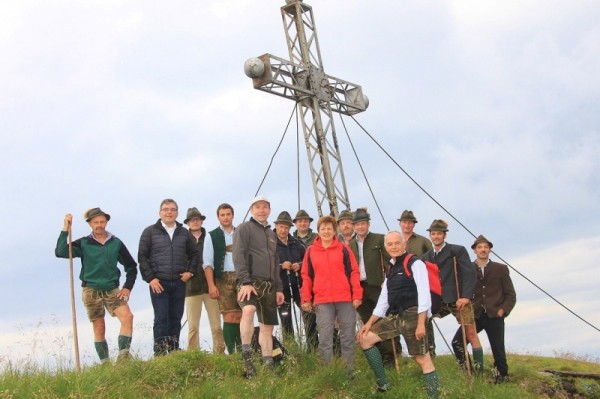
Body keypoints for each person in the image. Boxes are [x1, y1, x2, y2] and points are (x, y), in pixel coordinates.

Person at [358, 231, 439, 397]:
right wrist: (369, 323)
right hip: (395, 315)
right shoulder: (390, 268)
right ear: (386, 247)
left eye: (397, 243)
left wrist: (421, 323)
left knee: (422, 358)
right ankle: (384, 384)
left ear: (404, 245)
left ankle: (434, 395)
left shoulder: (415, 264)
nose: (393, 246)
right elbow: (384, 299)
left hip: (414, 314)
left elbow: (424, 295)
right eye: (390, 244)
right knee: (365, 339)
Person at [55, 207, 137, 363]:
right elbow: (60, 252)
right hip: (91, 290)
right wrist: (66, 229)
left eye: (102, 222)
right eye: (96, 222)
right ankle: (105, 364)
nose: (99, 225)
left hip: (112, 288)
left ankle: (123, 358)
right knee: (99, 327)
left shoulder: (116, 243)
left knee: (128, 317)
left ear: (106, 222)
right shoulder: (84, 243)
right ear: (90, 224)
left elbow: (131, 266)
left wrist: (127, 287)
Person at [301, 216, 363, 376]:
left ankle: (349, 372)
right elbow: (306, 275)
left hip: (345, 299)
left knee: (348, 337)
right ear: (318, 231)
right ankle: (327, 374)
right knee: (325, 338)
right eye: (323, 229)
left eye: (329, 228)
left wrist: (357, 294)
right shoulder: (310, 251)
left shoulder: (344, 249)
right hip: (322, 300)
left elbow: (354, 272)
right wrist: (306, 298)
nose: (326, 231)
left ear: (334, 230)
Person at [452, 235, 516, 383]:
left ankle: (502, 376)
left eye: (486, 247)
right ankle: (469, 372)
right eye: (479, 247)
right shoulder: (467, 268)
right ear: (474, 250)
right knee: (457, 342)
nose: (483, 250)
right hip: (475, 315)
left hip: (495, 314)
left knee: (498, 348)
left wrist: (502, 311)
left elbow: (511, 295)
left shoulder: (500, 269)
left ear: (490, 250)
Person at [138, 199, 199, 356]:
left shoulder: (184, 233)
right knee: (161, 318)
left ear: (177, 213)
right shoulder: (149, 232)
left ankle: (173, 352)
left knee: (176, 318)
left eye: (172, 209)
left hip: (179, 282)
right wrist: (150, 278)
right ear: (160, 212)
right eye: (166, 209)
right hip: (159, 282)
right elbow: (142, 257)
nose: (169, 212)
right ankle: (159, 354)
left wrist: (190, 272)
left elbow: (194, 254)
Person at [421, 219, 483, 372]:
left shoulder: (457, 250)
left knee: (470, 333)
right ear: (430, 235)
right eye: (433, 234)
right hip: (438, 301)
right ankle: (429, 360)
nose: (436, 236)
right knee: (421, 321)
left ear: (444, 235)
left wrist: (466, 297)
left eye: (439, 234)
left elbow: (469, 274)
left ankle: (479, 369)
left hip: (458, 298)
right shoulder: (425, 257)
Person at [233, 196, 285, 378]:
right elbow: (238, 254)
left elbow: (276, 261)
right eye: (257, 207)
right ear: (251, 209)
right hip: (249, 281)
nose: (261, 210)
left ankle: (268, 366)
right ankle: (247, 359)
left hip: (270, 285)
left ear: (269, 210)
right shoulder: (243, 228)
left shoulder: (272, 234)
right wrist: (245, 281)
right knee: (248, 310)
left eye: (265, 207)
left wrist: (279, 288)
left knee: (267, 327)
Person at [349, 208, 397, 365]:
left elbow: (391, 261)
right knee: (367, 322)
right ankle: (381, 355)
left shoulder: (379, 239)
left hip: (377, 285)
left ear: (368, 224)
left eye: (363, 223)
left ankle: (393, 354)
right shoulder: (349, 245)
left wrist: (387, 279)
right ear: (353, 226)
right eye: (357, 224)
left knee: (383, 319)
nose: (360, 227)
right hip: (359, 288)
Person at [273, 211, 318, 351]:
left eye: (286, 227)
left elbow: (308, 261)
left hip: (299, 286)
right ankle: (291, 349)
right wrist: (281, 266)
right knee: (286, 319)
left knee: (309, 316)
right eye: (281, 226)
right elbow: (266, 264)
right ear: (276, 226)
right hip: (282, 288)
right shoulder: (270, 244)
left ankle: (313, 347)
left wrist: (299, 265)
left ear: (290, 228)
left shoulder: (297, 243)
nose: (283, 230)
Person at [183, 207, 225, 354]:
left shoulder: (211, 238)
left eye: (197, 219)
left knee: (216, 326)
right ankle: (194, 355)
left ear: (201, 221)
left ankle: (219, 354)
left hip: (210, 288)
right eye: (192, 220)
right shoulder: (182, 239)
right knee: (193, 327)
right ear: (187, 222)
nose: (195, 222)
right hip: (190, 289)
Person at [203, 203, 242, 355]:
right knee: (229, 314)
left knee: (242, 315)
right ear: (218, 217)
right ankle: (233, 352)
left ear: (233, 215)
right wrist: (211, 285)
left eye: (228, 214)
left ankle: (244, 350)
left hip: (241, 276)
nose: (226, 217)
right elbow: (207, 263)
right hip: (223, 278)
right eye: (222, 215)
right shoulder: (211, 235)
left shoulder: (241, 232)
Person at [399, 210, 436, 356]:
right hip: (402, 285)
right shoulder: (395, 240)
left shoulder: (423, 241)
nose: (407, 225)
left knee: (425, 316)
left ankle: (430, 348)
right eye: (404, 222)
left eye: (410, 222)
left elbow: (432, 262)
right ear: (400, 224)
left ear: (413, 224)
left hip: (420, 283)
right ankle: (409, 351)